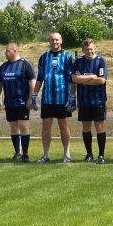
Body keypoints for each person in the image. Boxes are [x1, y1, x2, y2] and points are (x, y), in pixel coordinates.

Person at [32, 32, 75, 163]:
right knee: (46, 127)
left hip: (62, 98)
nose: (54, 42)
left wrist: (72, 96)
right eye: (52, 40)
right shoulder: (44, 57)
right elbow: (40, 77)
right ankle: (45, 155)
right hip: (47, 98)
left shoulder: (68, 56)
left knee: (63, 125)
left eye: (56, 40)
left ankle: (67, 154)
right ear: (49, 41)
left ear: (61, 41)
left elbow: (72, 78)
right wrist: (34, 94)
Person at [0, 43, 35, 163]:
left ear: (14, 51)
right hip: (9, 102)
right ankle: (17, 152)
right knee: (13, 127)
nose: (5, 53)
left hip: (22, 102)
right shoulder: (3, 67)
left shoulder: (25, 64)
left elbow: (32, 82)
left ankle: (25, 154)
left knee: (23, 126)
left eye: (7, 51)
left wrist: (31, 99)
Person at [72, 39, 108, 163]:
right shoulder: (78, 61)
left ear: (95, 48)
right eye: (87, 49)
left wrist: (82, 79)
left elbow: (101, 80)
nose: (90, 51)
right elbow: (74, 79)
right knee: (86, 127)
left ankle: (101, 155)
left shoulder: (101, 61)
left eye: (91, 49)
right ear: (83, 50)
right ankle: (89, 154)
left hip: (98, 100)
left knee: (99, 126)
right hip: (83, 101)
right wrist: (92, 76)